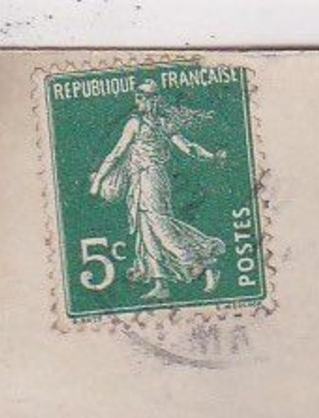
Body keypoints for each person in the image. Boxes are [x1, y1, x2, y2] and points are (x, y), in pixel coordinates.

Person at [88, 78, 227, 301]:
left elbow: (188, 147)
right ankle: (160, 283)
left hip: (152, 179)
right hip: (140, 180)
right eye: (138, 97)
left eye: (142, 97)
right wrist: (210, 156)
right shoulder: (143, 123)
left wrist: (211, 157)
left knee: (160, 226)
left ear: (152, 100)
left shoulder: (155, 123)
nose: (139, 101)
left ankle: (205, 263)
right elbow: (119, 152)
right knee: (147, 231)